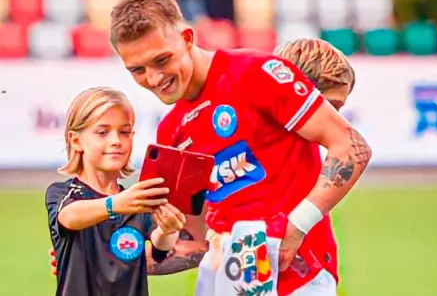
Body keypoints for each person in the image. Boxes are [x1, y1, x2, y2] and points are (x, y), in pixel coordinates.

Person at [47, 37, 357, 292]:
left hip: (303, 278)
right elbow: (192, 242)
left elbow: (352, 151)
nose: (329, 119)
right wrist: (103, 254)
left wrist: (297, 226)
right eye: (330, 106)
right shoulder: (178, 129)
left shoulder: (301, 161)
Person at [45, 87, 186, 296]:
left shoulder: (138, 201)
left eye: (125, 132)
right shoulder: (63, 193)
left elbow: (160, 249)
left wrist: (168, 229)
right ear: (76, 141)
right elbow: (69, 216)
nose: (116, 141)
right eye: (102, 132)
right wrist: (115, 204)